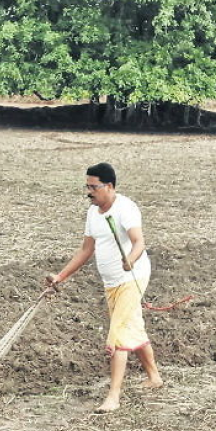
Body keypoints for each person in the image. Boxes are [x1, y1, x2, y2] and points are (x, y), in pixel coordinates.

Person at [45, 162, 162, 412]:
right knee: (132, 327)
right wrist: (61, 276)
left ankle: (113, 397)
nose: (89, 191)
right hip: (111, 282)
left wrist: (130, 259)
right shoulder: (93, 213)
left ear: (109, 186)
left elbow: (139, 242)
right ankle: (154, 377)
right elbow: (86, 250)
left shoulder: (126, 208)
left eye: (93, 187)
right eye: (87, 186)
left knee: (118, 334)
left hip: (132, 277)